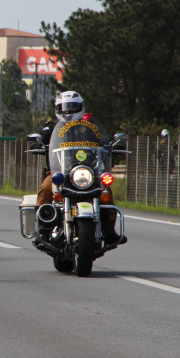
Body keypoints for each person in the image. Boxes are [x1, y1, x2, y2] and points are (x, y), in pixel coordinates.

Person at [35, 91, 125, 245]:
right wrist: (38, 142)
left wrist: (112, 144)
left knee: (106, 191)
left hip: (89, 171)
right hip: (60, 172)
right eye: (64, 108)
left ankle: (109, 229)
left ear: (81, 107)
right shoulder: (52, 127)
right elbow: (42, 138)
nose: (68, 111)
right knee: (46, 186)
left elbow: (103, 139)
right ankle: (42, 229)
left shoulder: (91, 126)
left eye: (72, 107)